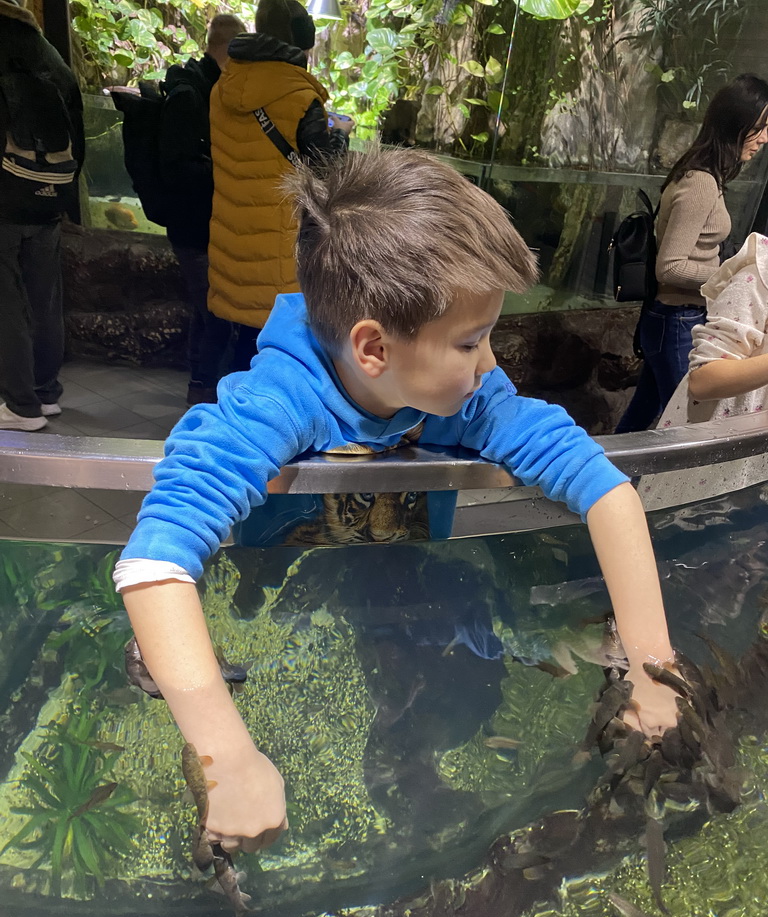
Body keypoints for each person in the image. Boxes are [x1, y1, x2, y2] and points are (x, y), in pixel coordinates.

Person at [115, 148, 683, 855]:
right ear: (374, 349)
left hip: (400, 594)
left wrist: (656, 669)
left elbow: (605, 490)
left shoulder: (474, 401)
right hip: (275, 606)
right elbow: (154, 561)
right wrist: (226, 756)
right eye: (472, 341)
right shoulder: (275, 403)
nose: (491, 365)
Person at [616, 73, 768, 434]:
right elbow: (669, 267)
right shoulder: (700, 182)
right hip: (677, 320)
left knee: (638, 425)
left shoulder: (707, 176)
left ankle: (597, 486)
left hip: (671, 319)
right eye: (760, 127)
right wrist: (730, 275)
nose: (764, 139)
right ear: (736, 123)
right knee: (687, 433)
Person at [208, 0, 353, 372]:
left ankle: (231, 408)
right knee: (277, 347)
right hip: (279, 242)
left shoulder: (223, 86)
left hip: (231, 237)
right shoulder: (299, 96)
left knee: (242, 339)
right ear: (302, 39)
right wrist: (341, 133)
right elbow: (326, 169)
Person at [0, 0, 84, 430]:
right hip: (49, 195)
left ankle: (19, 406)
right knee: (46, 298)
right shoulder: (51, 58)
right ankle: (46, 391)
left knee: (7, 301)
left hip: (5, 199)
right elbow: (77, 133)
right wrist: (63, 196)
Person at [639, 231, 768, 509]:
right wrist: (722, 270)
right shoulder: (759, 274)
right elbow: (704, 380)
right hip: (724, 457)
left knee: (643, 407)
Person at [159, 14, 246, 407]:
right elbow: (177, 166)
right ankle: (203, 392)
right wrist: (228, 169)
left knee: (206, 309)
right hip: (195, 227)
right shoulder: (193, 93)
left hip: (200, 225)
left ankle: (201, 386)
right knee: (214, 313)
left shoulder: (207, 87)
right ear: (231, 48)